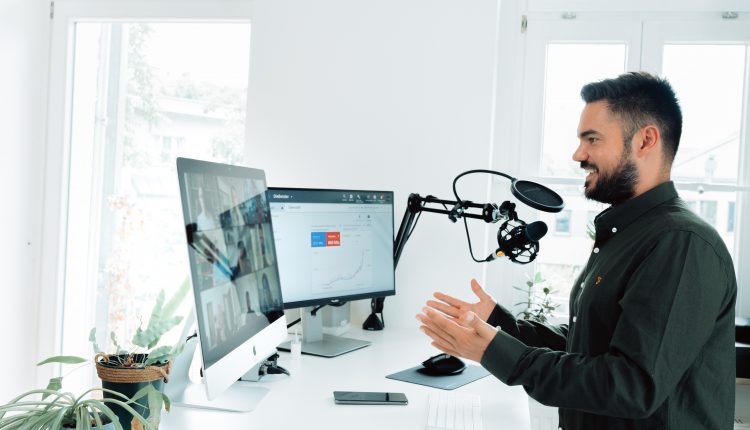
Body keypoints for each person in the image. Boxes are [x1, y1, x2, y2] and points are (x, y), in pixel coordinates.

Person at [416, 72, 737, 429]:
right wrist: (497, 322)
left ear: (646, 140)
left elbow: (631, 386)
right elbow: (588, 345)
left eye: (592, 139)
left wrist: (496, 353)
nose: (578, 154)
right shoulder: (626, 234)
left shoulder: (681, 244)